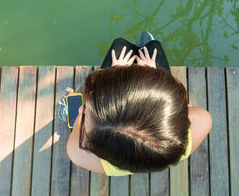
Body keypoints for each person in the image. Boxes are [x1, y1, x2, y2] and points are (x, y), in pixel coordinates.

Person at [66, 32, 212, 176]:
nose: (81, 109)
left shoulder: (77, 153)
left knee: (120, 45)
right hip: (158, 98)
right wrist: (154, 80)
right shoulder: (202, 122)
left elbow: (78, 128)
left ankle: (138, 61)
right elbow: (182, 107)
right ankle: (148, 57)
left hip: (149, 103)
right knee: (153, 48)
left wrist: (114, 75)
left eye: (85, 111)